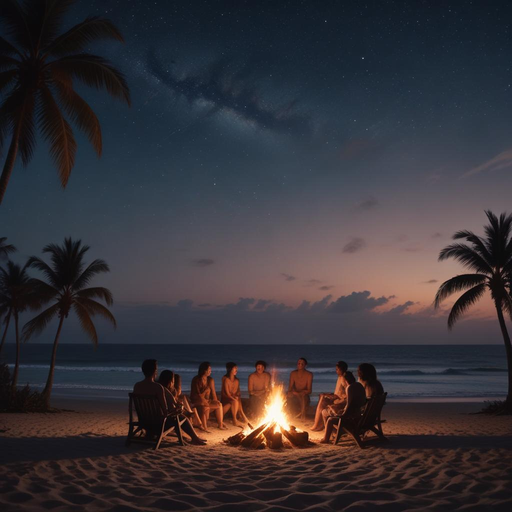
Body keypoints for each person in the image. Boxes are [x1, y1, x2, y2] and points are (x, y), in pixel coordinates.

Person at [156, 370, 207, 445]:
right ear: (170, 381)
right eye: (173, 380)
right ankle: (195, 438)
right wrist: (180, 408)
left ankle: (194, 436)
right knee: (181, 417)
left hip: (146, 422)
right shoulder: (165, 392)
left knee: (179, 415)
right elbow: (170, 409)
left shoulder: (155, 388)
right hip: (160, 423)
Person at [319, 371, 366, 444]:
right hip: (358, 416)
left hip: (351, 419)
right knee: (331, 409)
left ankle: (326, 438)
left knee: (326, 414)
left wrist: (343, 414)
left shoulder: (349, 388)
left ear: (345, 380)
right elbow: (361, 401)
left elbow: (349, 404)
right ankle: (334, 433)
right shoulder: (359, 385)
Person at [311, 361, 348, 431]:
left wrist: (338, 397)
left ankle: (317, 425)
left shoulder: (343, 378)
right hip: (336, 396)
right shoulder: (340, 377)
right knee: (322, 396)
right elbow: (339, 391)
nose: (336, 371)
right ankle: (319, 424)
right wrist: (331, 394)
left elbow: (347, 393)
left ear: (341, 370)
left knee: (323, 399)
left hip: (339, 400)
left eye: (337, 369)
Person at [190, 361, 227, 432]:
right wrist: (205, 392)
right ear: (204, 370)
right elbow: (197, 395)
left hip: (207, 401)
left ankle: (220, 424)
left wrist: (215, 401)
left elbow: (213, 394)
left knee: (219, 404)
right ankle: (204, 427)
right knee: (203, 405)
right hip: (197, 401)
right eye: (209, 369)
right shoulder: (196, 380)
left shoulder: (210, 380)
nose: (210, 371)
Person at [221, 362, 250, 427]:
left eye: (236, 368)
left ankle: (242, 415)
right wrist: (234, 398)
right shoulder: (226, 379)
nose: (236, 370)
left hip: (233, 399)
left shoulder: (237, 380)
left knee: (237, 399)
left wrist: (236, 396)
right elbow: (227, 394)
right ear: (230, 369)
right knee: (235, 400)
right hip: (226, 400)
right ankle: (235, 420)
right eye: (235, 368)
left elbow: (238, 393)